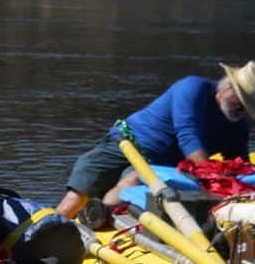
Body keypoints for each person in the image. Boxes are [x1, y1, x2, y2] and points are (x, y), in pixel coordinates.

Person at [57, 61, 255, 224]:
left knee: (134, 179)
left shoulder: (238, 126)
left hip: (161, 167)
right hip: (127, 144)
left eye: (247, 106)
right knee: (79, 194)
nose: (241, 109)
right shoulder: (193, 88)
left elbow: (240, 164)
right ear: (227, 87)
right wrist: (210, 174)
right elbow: (187, 135)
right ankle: (53, 228)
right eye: (240, 99)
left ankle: (101, 214)